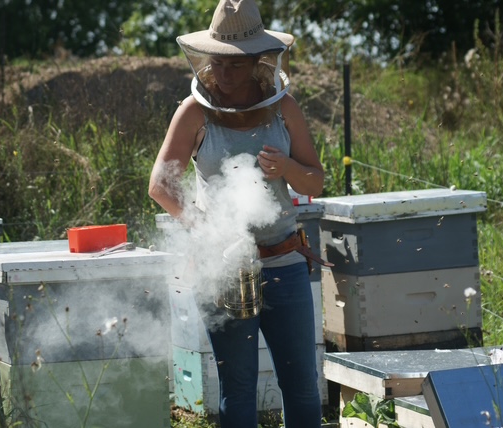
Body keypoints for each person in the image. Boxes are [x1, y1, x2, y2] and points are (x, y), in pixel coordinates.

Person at [149, 0, 325, 427]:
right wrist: (207, 229)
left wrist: (286, 169)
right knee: (239, 389)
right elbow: (160, 186)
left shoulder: (285, 109)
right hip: (224, 270)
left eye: (235, 65)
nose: (225, 74)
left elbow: (315, 182)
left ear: (257, 61)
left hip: (284, 261)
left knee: (302, 385)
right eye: (218, 63)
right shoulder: (193, 112)